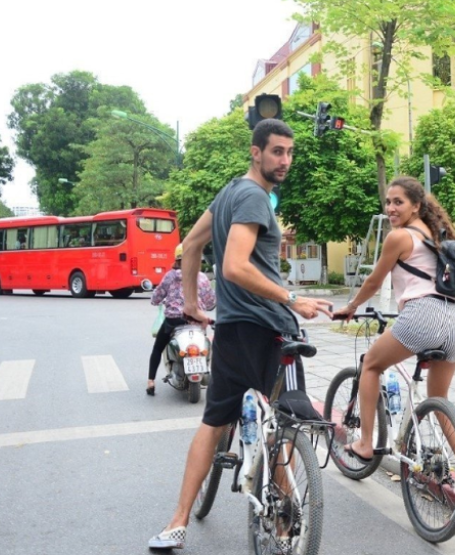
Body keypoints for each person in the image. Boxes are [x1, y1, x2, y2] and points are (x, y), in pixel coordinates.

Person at [148, 119, 333, 550]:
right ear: (256, 152)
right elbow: (234, 266)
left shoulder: (230, 191)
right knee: (280, 423)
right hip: (269, 329)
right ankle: (286, 520)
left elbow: (190, 244)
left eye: (289, 152)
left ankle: (178, 522)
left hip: (232, 331)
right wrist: (291, 298)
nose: (285, 160)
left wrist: (192, 304)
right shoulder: (253, 197)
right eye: (276, 152)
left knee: (214, 423)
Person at [330, 175, 455, 497]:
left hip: (422, 315)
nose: (390, 208)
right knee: (439, 401)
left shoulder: (399, 237)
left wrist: (351, 306)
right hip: (453, 320)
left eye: (398, 202)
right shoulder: (437, 236)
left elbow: (374, 280)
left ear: (416, 206)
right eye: (387, 202)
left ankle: (365, 442)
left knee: (370, 364)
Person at [147, 243, 216, 396]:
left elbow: (157, 296)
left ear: (177, 260)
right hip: (197, 322)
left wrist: (156, 300)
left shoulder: (170, 276)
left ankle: (151, 382)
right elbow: (211, 302)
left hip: (173, 322)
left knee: (157, 348)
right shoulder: (203, 278)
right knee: (207, 342)